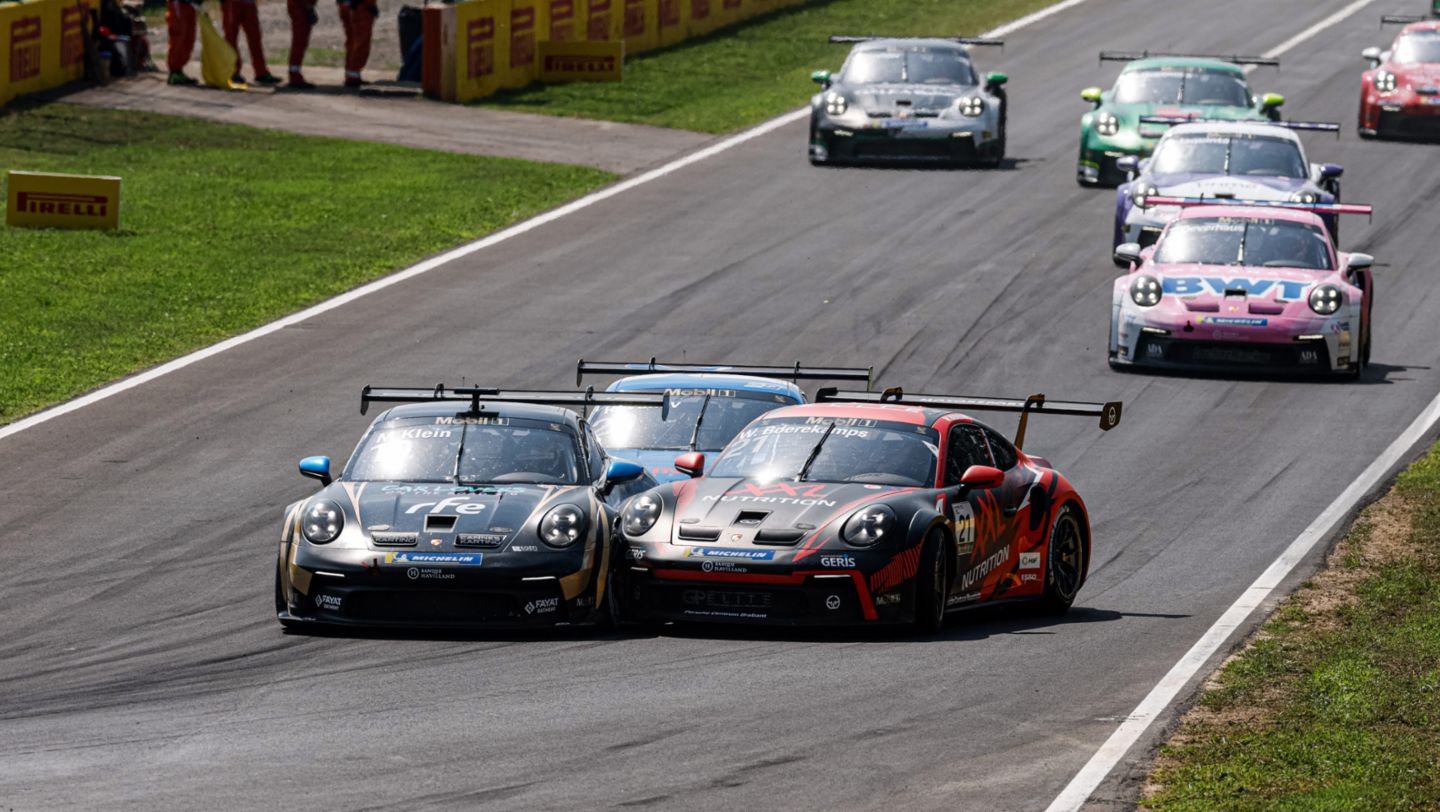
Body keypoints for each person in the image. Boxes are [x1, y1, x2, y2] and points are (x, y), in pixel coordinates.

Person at [221, 0, 279, 84]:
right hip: (231, 3)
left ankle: (261, 72)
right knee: (231, 37)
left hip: (249, 3)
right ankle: (233, 71)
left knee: (255, 36)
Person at [338, 0, 379, 88]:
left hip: (348, 6)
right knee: (361, 43)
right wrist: (370, 4)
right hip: (360, 7)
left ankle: (351, 74)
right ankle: (353, 75)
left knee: (352, 42)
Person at [165, 0, 199, 85]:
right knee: (179, 36)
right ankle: (174, 71)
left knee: (189, 37)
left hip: (190, 4)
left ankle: (178, 70)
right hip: (178, 3)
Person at [286, 0, 319, 89]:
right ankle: (294, 76)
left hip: (301, 6)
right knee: (299, 42)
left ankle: (295, 74)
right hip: (300, 7)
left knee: (301, 42)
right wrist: (309, 7)